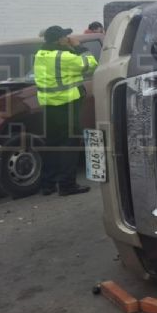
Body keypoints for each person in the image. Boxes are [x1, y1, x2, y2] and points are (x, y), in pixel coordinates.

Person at [34, 26, 98, 196]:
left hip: (48, 105)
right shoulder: (64, 57)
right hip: (67, 104)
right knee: (69, 145)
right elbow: (90, 64)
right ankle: (67, 185)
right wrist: (78, 47)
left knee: (52, 144)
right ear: (60, 39)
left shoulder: (40, 55)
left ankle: (48, 185)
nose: (68, 38)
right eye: (65, 36)